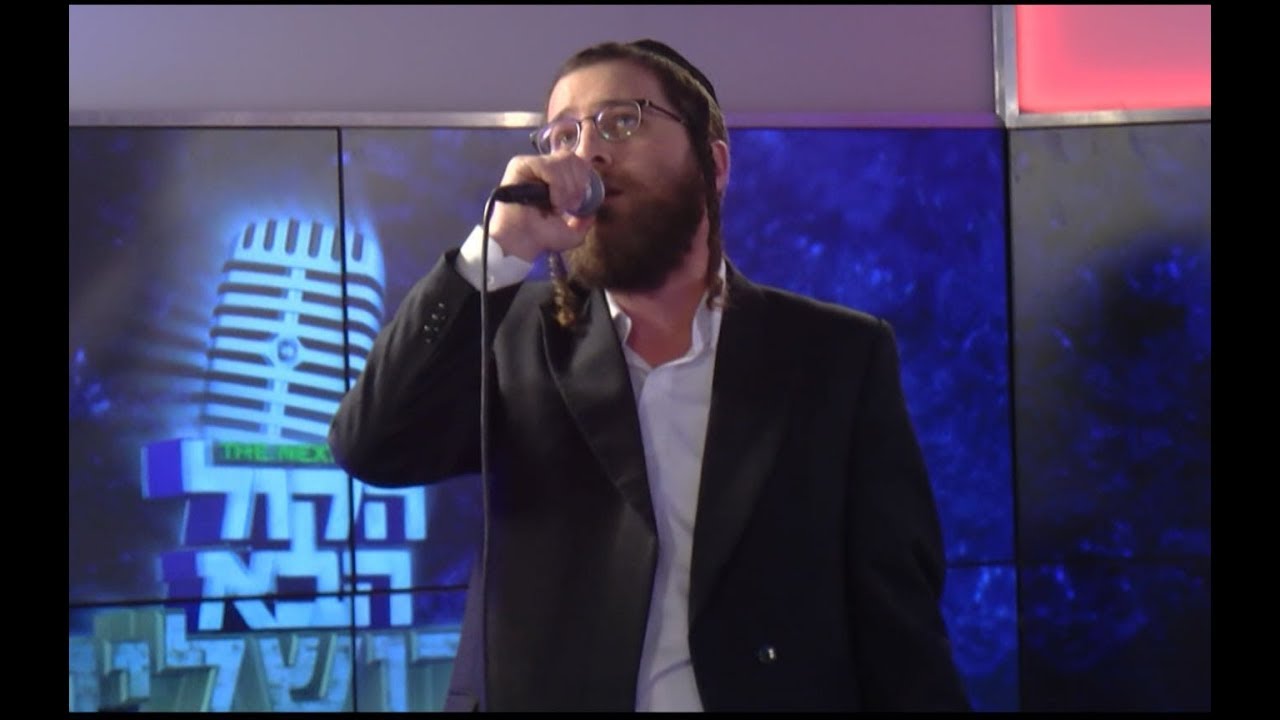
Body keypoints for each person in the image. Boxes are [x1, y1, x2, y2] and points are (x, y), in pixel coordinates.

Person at [328, 38, 971, 712]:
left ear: (713, 165)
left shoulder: (836, 355)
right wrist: (499, 249)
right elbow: (372, 446)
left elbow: (899, 624)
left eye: (620, 121)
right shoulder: (508, 334)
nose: (587, 152)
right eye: (564, 135)